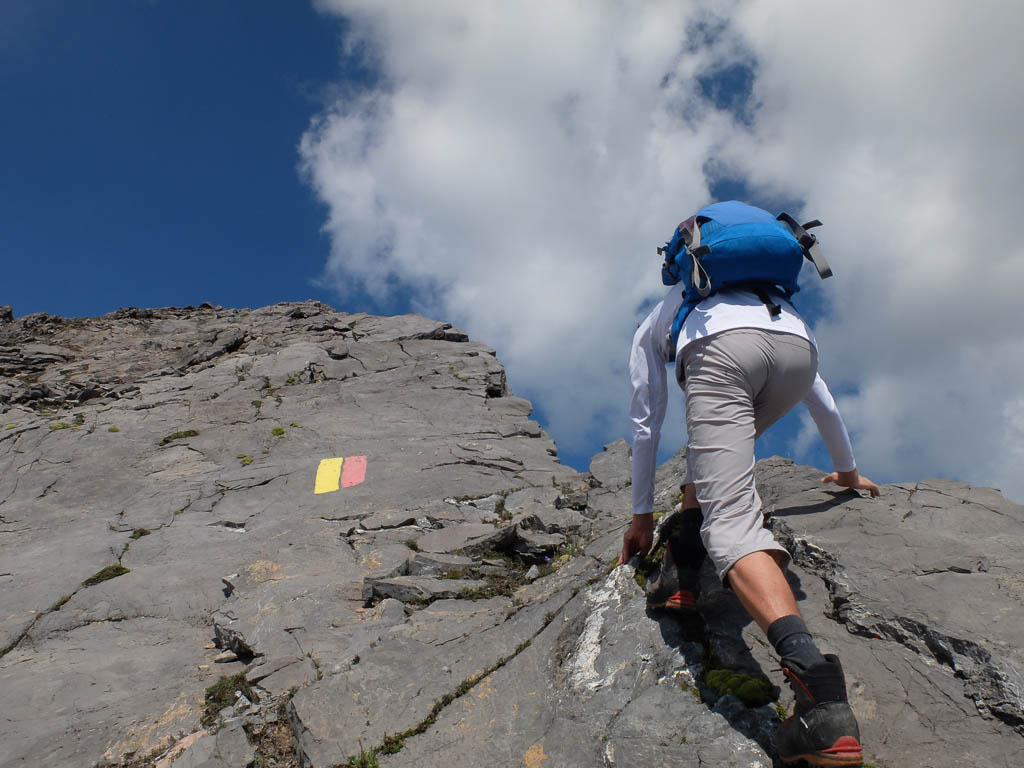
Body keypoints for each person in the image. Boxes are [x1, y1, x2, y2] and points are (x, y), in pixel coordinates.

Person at [620, 262, 879, 767]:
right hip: (799, 353)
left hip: (723, 355)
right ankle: (683, 569)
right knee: (711, 462)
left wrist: (642, 518)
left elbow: (646, 422)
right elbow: (820, 398)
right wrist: (847, 471)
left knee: (732, 523)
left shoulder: (664, 317)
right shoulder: (767, 301)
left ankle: (820, 696)